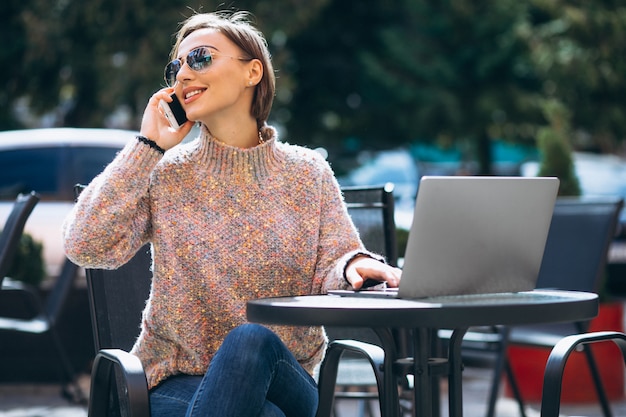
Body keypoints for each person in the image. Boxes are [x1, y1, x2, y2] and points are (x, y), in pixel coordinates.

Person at [63, 10, 401, 417]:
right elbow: (85, 245)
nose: (184, 74)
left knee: (251, 341)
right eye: (177, 65)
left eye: (200, 58)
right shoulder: (166, 174)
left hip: (284, 377)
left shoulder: (307, 173)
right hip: (174, 385)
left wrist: (355, 265)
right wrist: (147, 147)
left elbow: (336, 258)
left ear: (252, 71)